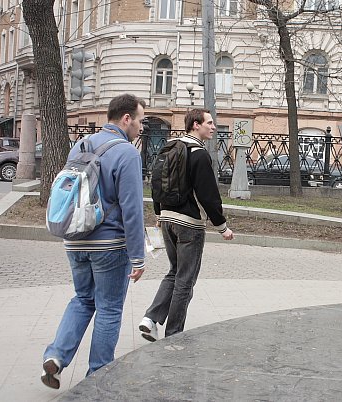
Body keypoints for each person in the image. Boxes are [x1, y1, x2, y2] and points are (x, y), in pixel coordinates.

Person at [41, 94, 147, 389]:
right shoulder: (127, 153)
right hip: (109, 244)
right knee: (109, 308)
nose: (141, 127)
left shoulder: (81, 145)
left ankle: (56, 356)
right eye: (140, 120)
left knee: (82, 299)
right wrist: (138, 256)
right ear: (126, 119)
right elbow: (132, 209)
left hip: (74, 238)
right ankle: (98, 376)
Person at [139, 108, 234, 342]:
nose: (213, 127)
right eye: (209, 123)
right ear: (195, 125)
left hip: (167, 220)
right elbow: (208, 195)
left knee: (174, 272)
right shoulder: (199, 154)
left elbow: (157, 184)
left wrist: (159, 213)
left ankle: (150, 319)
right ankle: (174, 334)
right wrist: (222, 227)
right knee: (185, 279)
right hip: (189, 225)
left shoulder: (170, 148)